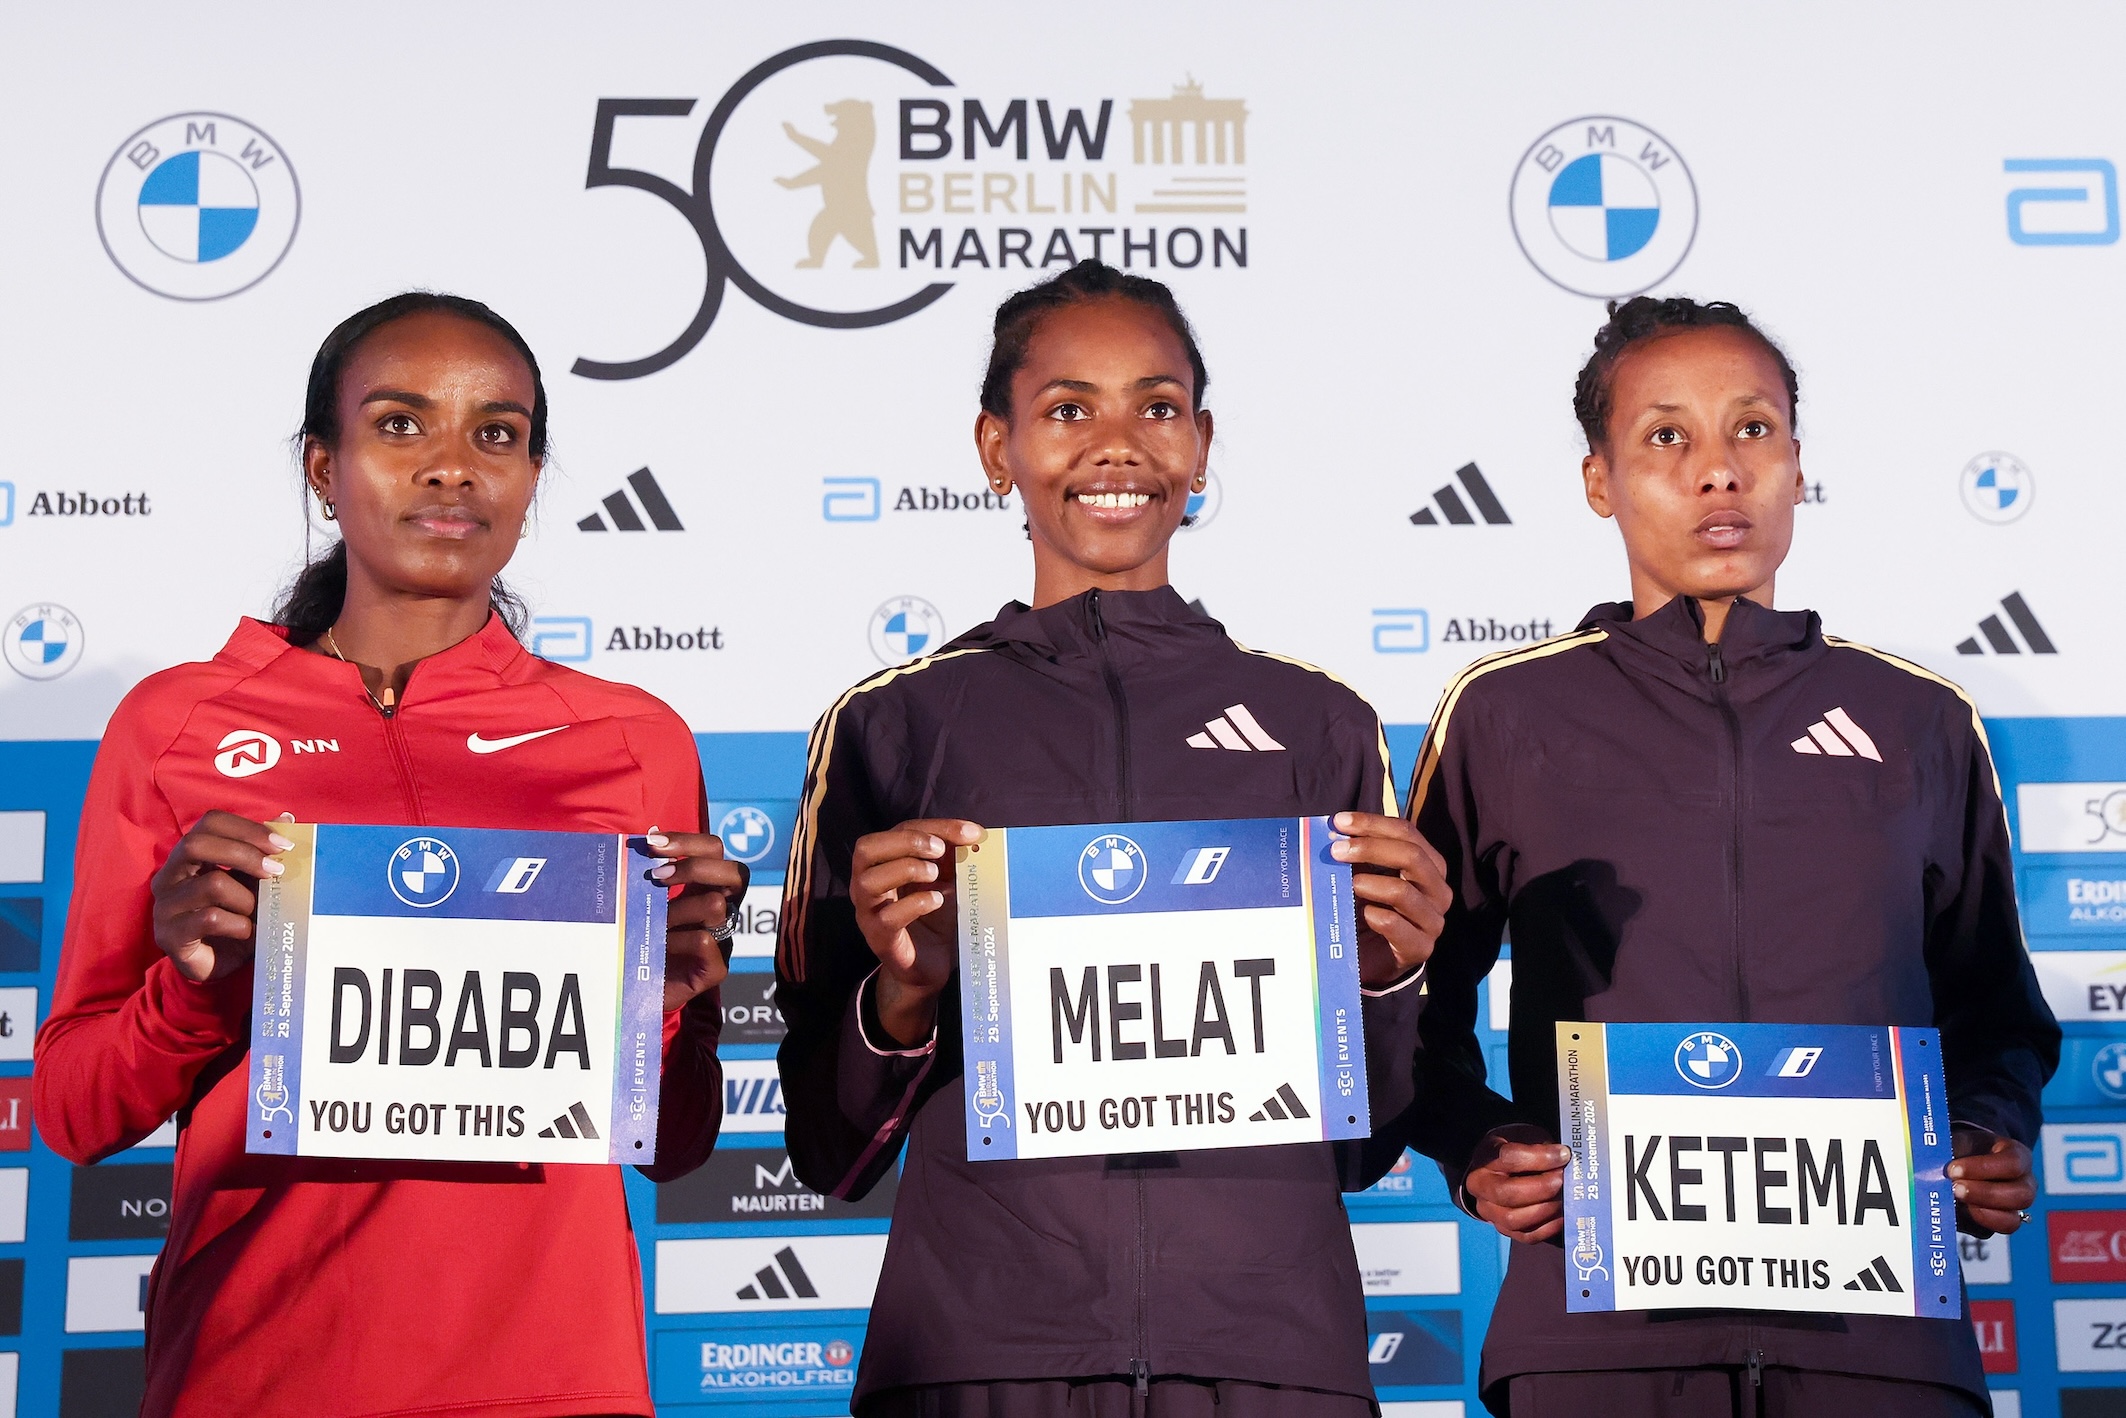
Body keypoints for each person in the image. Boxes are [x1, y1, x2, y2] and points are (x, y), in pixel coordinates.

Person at [33, 292, 744, 1418]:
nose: (452, 467)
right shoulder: (174, 727)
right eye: (401, 425)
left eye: (496, 434)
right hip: (254, 1368)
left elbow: (678, 1141)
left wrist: (671, 1001)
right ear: (324, 467)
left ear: (533, 479)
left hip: (557, 1379)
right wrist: (196, 991)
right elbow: (70, 1114)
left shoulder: (632, 739)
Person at [776, 259, 1451, 1415]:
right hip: (978, 1356)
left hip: (1267, 1353)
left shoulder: (1317, 723)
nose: (1116, 442)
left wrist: (1391, 975)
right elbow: (825, 1148)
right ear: (995, 447)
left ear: (1199, 442)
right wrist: (900, 999)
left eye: (1155, 404)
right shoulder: (891, 726)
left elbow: (1362, 1143)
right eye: (1066, 408)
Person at [1403, 295, 2060, 1416]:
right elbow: (1405, 1000)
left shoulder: (1917, 720)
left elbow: (1997, 1015)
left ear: (1797, 464)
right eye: (1667, 436)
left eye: (1750, 429)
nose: (1718, 471)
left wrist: (1987, 1132)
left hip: (1881, 1342)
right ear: (1597, 480)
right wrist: (1475, 1143)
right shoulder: (1503, 713)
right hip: (1593, 1342)